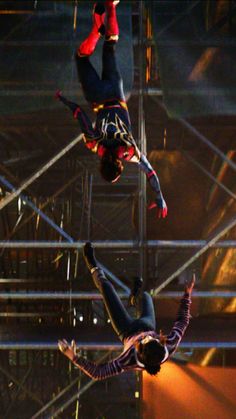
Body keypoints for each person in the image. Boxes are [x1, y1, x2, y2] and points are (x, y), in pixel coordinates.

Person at [56, 0, 167, 218]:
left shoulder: (130, 152)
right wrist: (64, 100)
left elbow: (151, 173)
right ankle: (96, 30)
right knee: (81, 57)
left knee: (112, 42)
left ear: (120, 166)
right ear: (101, 166)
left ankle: (112, 5)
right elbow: (79, 113)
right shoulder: (94, 144)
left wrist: (160, 196)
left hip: (117, 91)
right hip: (97, 96)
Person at [58, 242, 195, 380]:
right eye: (153, 338)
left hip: (126, 330)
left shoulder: (128, 360)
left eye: (145, 340)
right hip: (147, 325)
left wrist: (73, 357)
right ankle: (134, 299)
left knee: (106, 288)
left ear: (139, 350)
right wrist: (187, 295)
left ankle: (92, 263)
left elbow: (98, 373)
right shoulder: (169, 346)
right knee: (146, 296)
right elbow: (182, 322)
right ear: (160, 343)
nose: (146, 337)